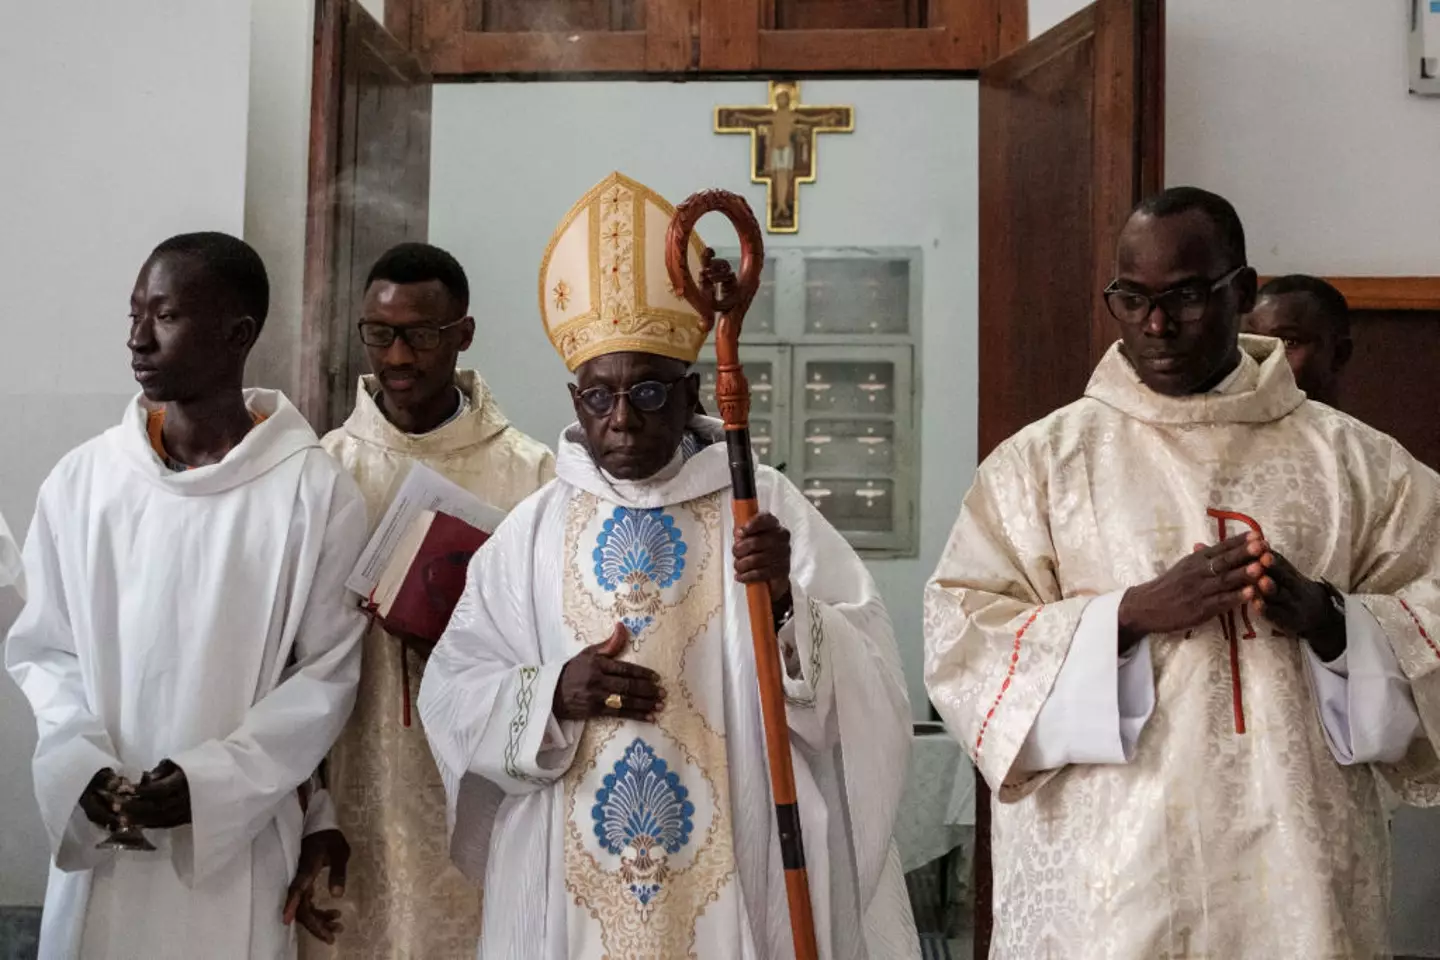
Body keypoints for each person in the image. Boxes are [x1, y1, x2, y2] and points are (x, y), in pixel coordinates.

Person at [924, 187, 1440, 959]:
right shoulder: (1043, 465)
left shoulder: (1359, 465)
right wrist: (1127, 614)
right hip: (1113, 884)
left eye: (1184, 298)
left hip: (1297, 880)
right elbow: (962, 641)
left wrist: (1333, 622)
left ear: (1240, 291)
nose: (1155, 326)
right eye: (1131, 299)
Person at [416, 172, 919, 958]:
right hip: (572, 878)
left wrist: (788, 605)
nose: (621, 419)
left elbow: (872, 682)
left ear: (690, 393)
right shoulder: (534, 531)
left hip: (741, 860)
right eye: (598, 396)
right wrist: (551, 693)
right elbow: (452, 690)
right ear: (574, 398)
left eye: (647, 392)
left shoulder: (763, 505)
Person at [5, 232, 368, 959]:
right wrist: (79, 764)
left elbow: (326, 677)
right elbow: (46, 650)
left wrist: (211, 783)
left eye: (164, 316)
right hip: (102, 831)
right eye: (135, 313)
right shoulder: (84, 482)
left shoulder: (312, 491)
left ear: (238, 335)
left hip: (233, 844)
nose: (137, 339)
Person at [289, 242, 554, 959]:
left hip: (482, 787)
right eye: (380, 334)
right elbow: (290, 661)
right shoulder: (323, 472)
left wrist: (466, 641)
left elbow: (562, 639)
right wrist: (309, 808)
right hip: (357, 780)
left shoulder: (533, 475)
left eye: (421, 335)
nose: (398, 357)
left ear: (463, 334)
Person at [1242, 273, 1352, 406]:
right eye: (1253, 339)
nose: (1263, 359)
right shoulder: (1219, 422)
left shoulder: (1345, 427)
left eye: (1288, 342)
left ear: (1339, 355)